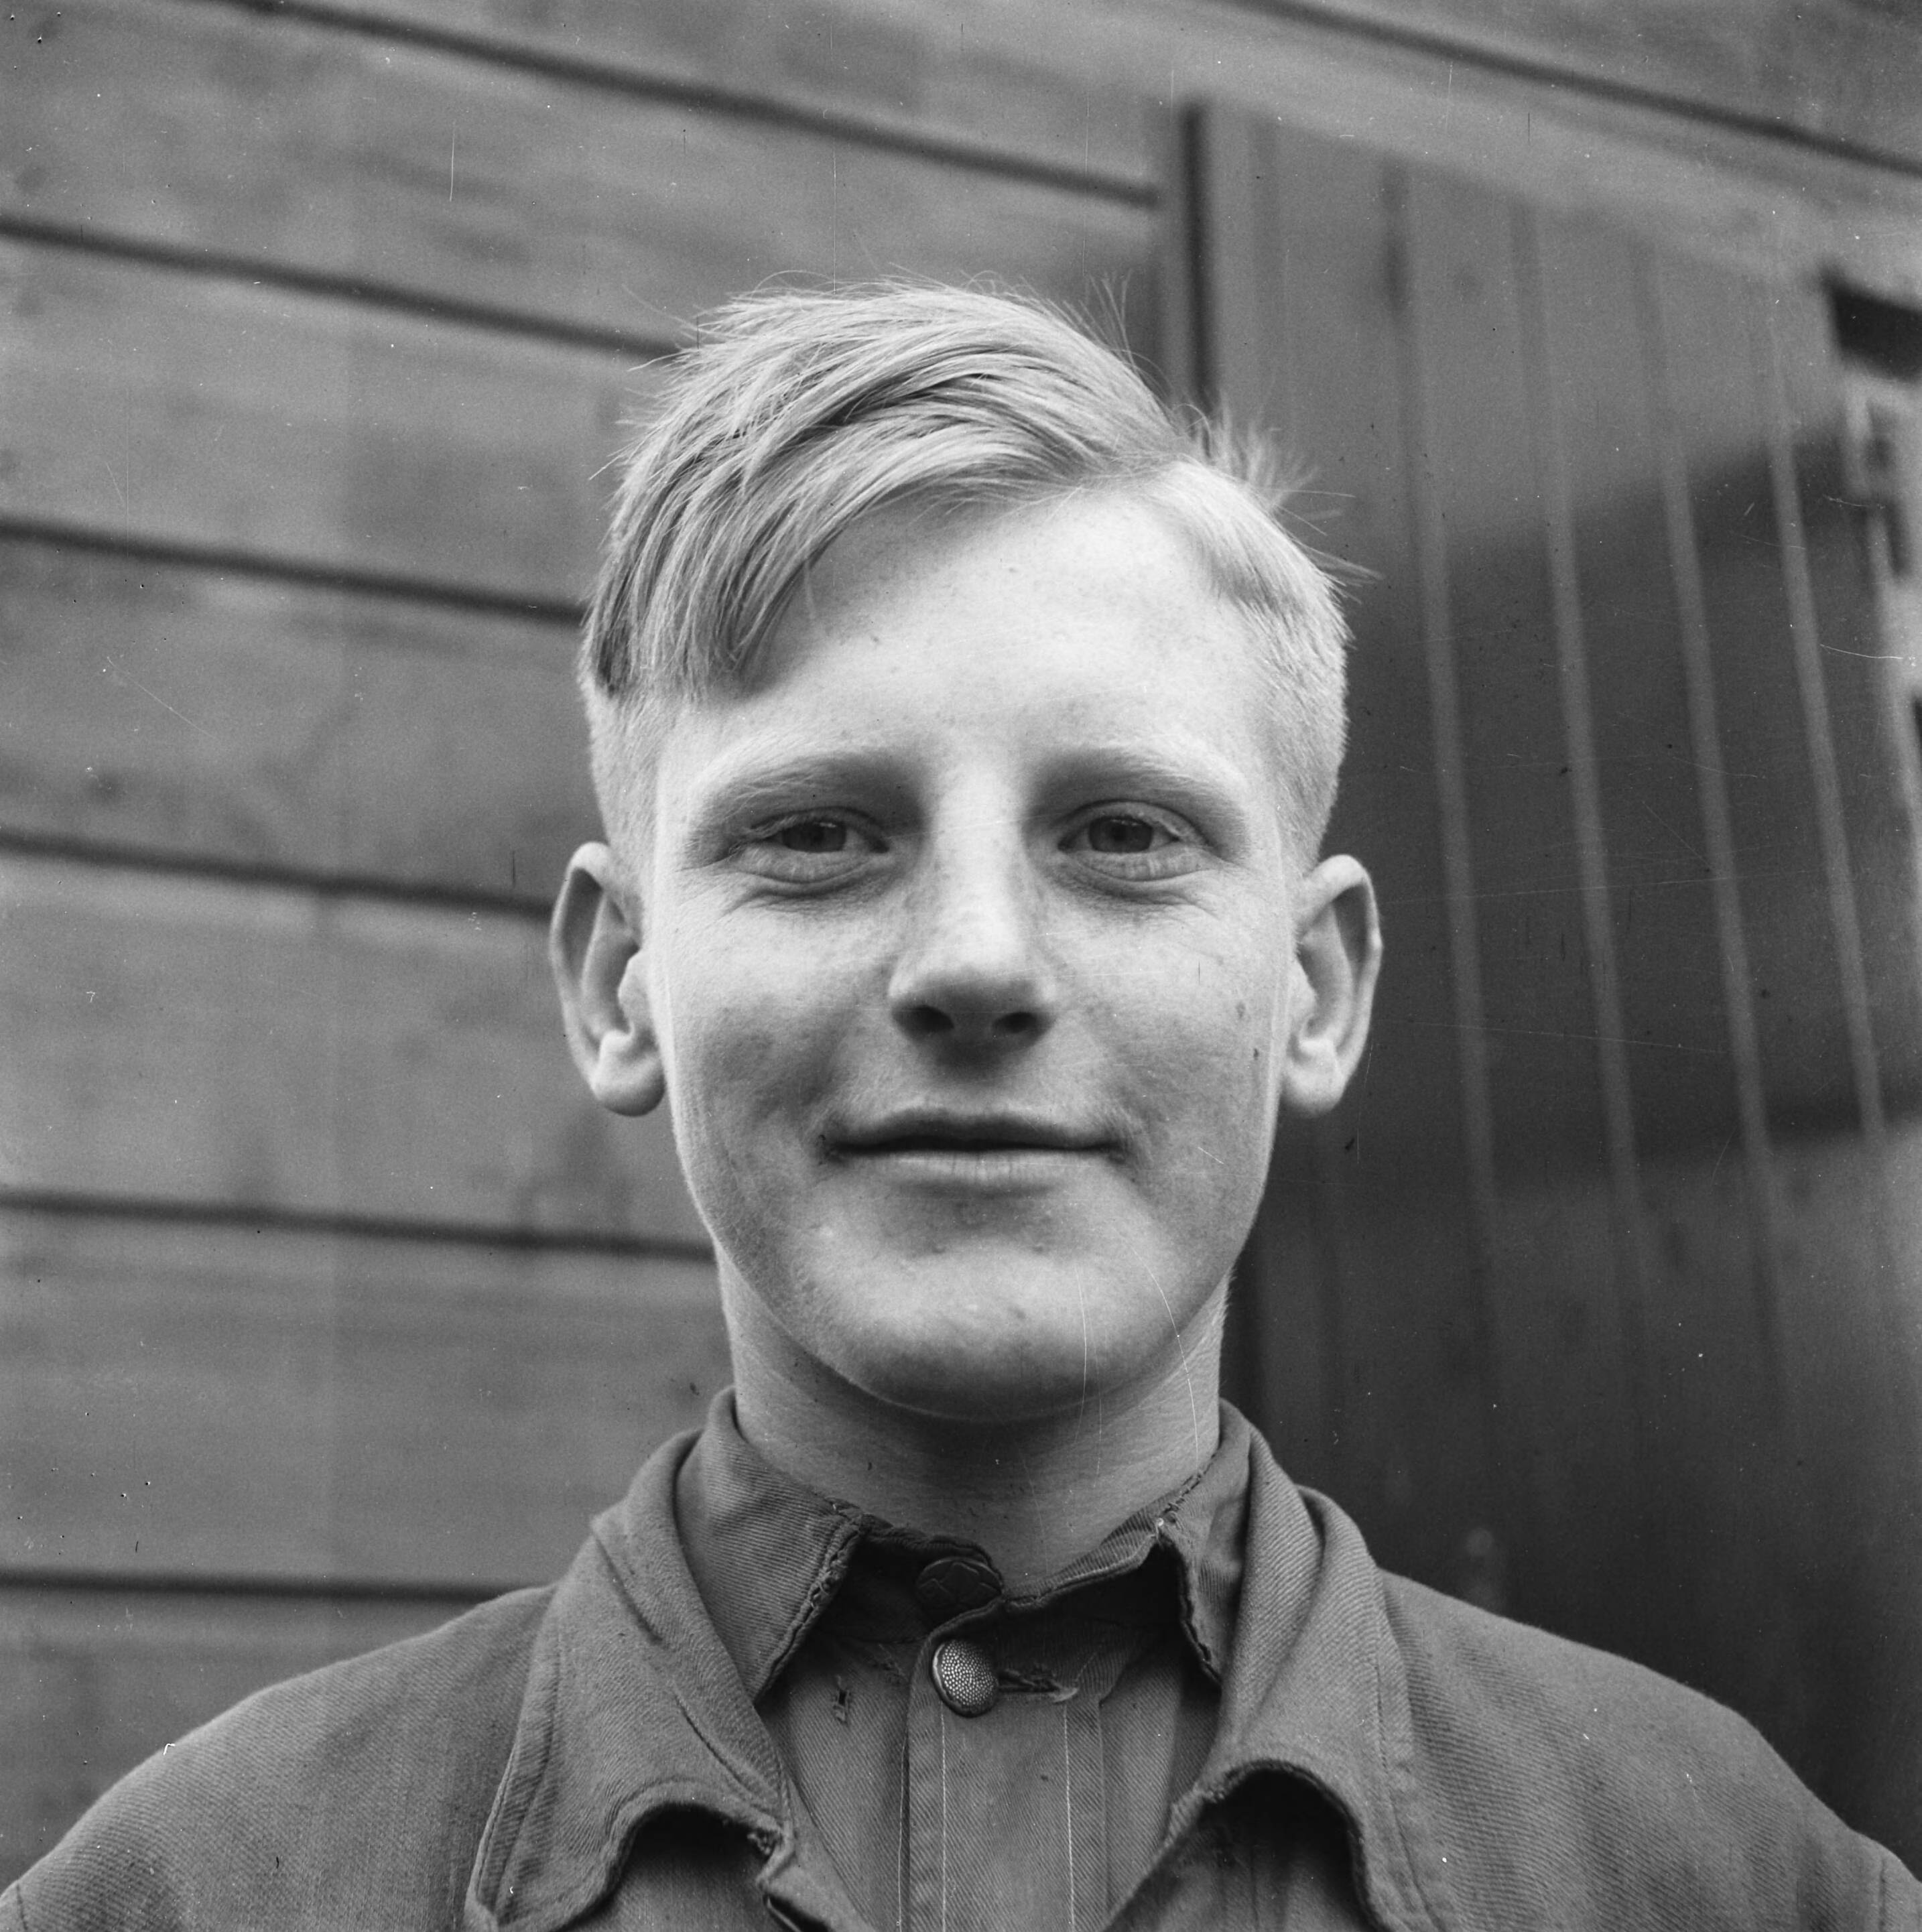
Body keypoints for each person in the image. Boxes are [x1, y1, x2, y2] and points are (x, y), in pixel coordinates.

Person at [7, 283, 1917, 1932]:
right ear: (618, 982)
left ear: (1318, 989)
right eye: (818, 833)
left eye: (1123, 834)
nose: (976, 960)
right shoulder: (198, 1886)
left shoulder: (1742, 1882)